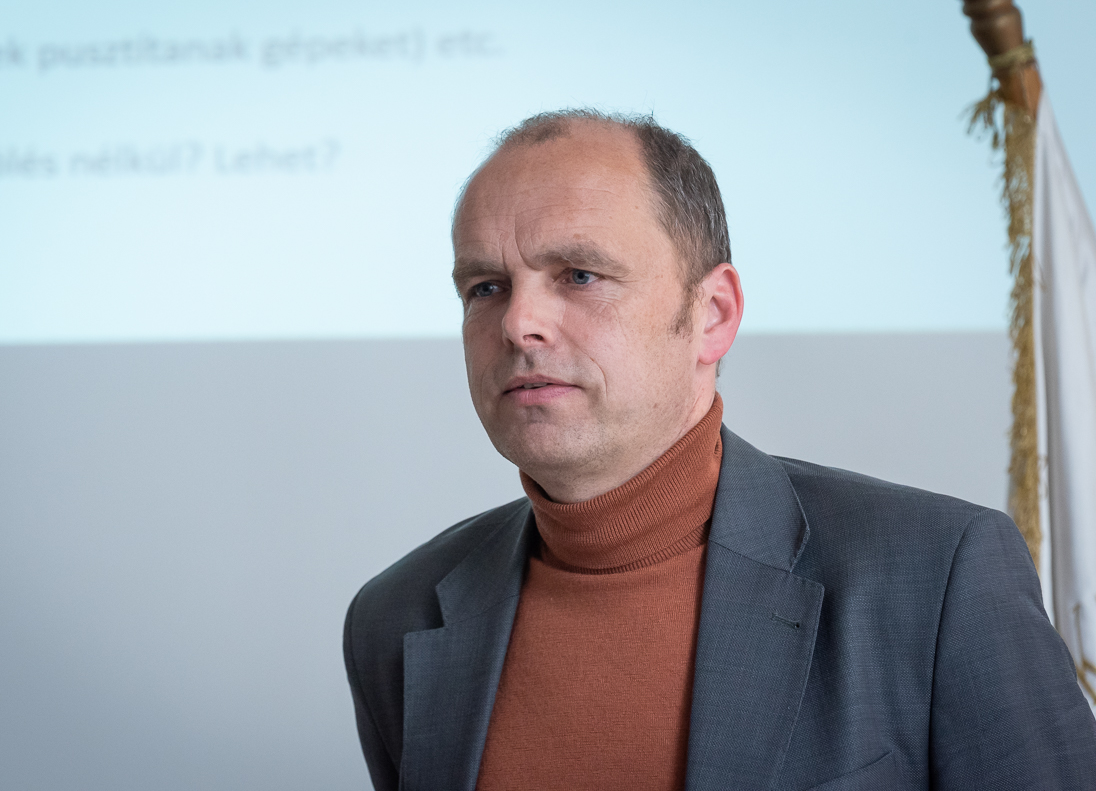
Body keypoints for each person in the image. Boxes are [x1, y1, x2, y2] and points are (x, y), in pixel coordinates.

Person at [342, 110, 1096, 790]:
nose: (517, 323)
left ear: (713, 315)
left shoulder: (939, 577)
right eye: (485, 287)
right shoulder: (395, 618)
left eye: (579, 275)